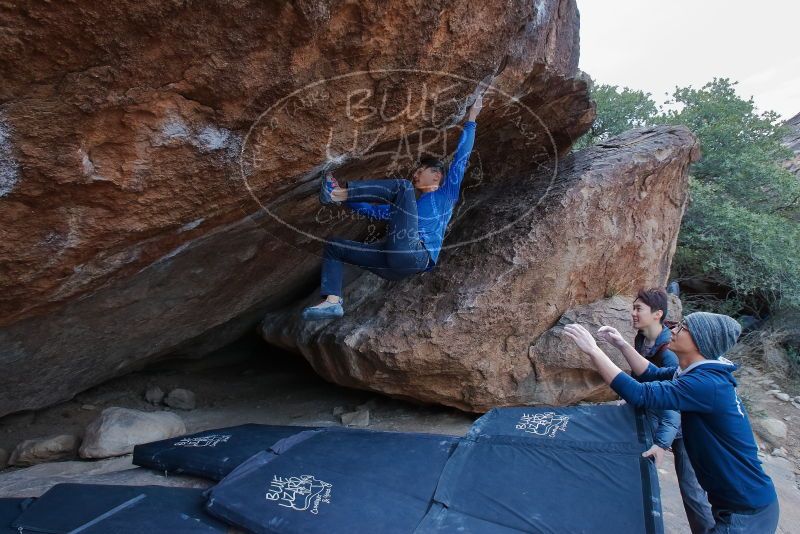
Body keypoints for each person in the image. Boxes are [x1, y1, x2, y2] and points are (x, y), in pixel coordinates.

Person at [563, 312, 779, 534]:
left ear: (701, 341)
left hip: (746, 511)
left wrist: (593, 350)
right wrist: (622, 345)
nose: (674, 329)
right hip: (738, 503)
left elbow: (639, 394)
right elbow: (652, 374)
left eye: (684, 327)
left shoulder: (706, 383)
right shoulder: (699, 372)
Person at [301, 95, 483, 320]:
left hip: (416, 255)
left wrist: (472, 117)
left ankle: (336, 193)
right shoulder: (409, 210)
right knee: (334, 246)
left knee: (402, 187)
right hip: (395, 266)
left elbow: (462, 158)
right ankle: (332, 301)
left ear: (436, 175)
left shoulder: (446, 194)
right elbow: (374, 211)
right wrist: (347, 200)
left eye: (421, 170)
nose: (415, 174)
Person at [631, 288, 714, 533]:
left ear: (657, 314)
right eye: (633, 308)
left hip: (684, 427)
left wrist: (662, 442)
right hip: (658, 419)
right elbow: (641, 376)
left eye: (639, 309)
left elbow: (674, 399)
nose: (633, 313)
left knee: (692, 490)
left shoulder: (669, 351)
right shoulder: (642, 338)